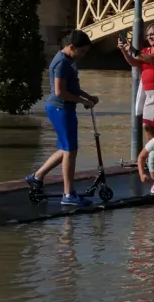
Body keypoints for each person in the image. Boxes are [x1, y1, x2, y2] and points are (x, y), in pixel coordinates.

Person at [25, 30, 99, 206]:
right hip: (60, 109)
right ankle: (68, 194)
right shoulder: (61, 63)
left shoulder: (69, 61)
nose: (82, 55)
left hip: (64, 108)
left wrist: (88, 97)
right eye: (81, 52)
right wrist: (82, 101)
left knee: (66, 149)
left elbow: (71, 87)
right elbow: (60, 91)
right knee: (70, 151)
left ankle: (37, 176)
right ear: (71, 47)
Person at [118, 21, 154, 136]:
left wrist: (133, 50)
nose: (150, 37)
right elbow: (135, 63)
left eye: (153, 34)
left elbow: (153, 59)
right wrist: (124, 51)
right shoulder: (145, 51)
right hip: (148, 93)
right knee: (146, 125)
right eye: (148, 35)